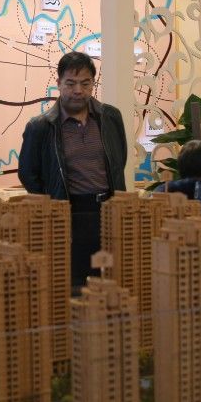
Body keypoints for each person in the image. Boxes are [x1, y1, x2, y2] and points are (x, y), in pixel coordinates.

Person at [18, 51, 128, 289]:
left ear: (93, 84)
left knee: (112, 279)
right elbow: (27, 174)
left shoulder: (110, 117)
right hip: (68, 213)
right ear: (58, 83)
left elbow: (119, 160)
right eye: (71, 83)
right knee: (71, 283)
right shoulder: (41, 127)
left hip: (109, 211)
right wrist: (52, 202)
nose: (78, 90)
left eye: (85, 83)